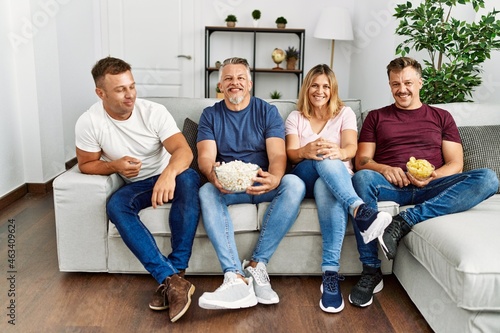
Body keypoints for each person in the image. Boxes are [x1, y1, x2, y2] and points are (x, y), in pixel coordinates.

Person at [349, 56, 499, 308]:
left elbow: (456, 164)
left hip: (432, 186)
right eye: (395, 84)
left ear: (420, 82)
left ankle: (403, 222)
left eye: (408, 82)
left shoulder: (441, 117)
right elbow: (362, 161)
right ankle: (371, 270)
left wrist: (433, 176)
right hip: (391, 186)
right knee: (362, 178)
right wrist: (386, 169)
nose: (402, 89)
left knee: (488, 178)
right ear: (389, 85)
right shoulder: (376, 117)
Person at [75, 57, 200, 322]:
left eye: (131, 86)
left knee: (189, 178)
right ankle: (172, 280)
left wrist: (168, 174)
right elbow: (86, 164)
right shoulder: (89, 122)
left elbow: (183, 151)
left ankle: (175, 271)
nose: (130, 94)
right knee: (116, 205)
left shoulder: (153, 112)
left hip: (172, 175)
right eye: (120, 89)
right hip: (138, 184)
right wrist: (114, 166)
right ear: (101, 93)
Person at [196, 57, 306, 310]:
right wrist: (215, 176)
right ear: (220, 86)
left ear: (250, 83)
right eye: (228, 79)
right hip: (230, 186)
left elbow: (278, 154)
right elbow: (205, 158)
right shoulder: (210, 115)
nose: (235, 83)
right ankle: (235, 277)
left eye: (240, 78)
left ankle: (257, 265)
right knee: (205, 190)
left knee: (295, 184)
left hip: (263, 182)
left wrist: (275, 177)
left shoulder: (267, 111)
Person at [284, 64, 392, 313]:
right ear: (306, 87)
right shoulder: (295, 117)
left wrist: (338, 152)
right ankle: (360, 210)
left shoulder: (345, 113)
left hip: (336, 179)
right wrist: (306, 151)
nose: (320, 91)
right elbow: (291, 154)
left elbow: (351, 149)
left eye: (325, 86)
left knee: (327, 182)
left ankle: (330, 276)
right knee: (323, 157)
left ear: (333, 89)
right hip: (305, 174)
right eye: (314, 85)